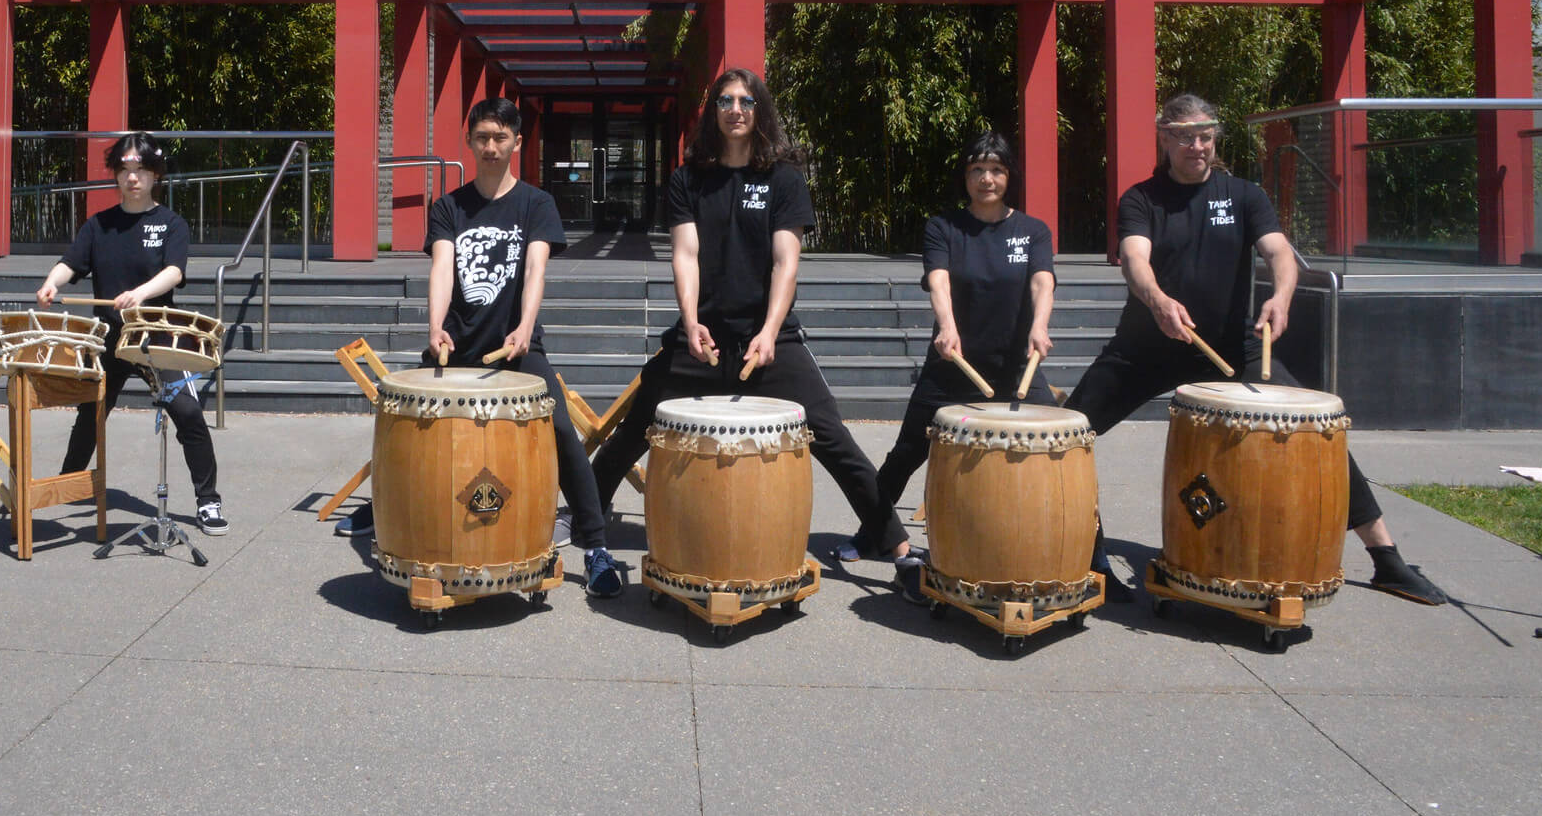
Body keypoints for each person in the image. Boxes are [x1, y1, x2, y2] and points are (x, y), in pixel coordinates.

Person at [1066, 94, 1445, 604]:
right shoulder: (1142, 199)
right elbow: (1136, 259)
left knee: (1316, 433)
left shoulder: (1244, 195)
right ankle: (1083, 548)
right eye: (1183, 135)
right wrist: (1157, 300)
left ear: (1215, 137)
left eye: (1204, 135)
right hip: (1145, 345)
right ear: (1164, 137)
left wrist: (1282, 296)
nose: (1195, 145)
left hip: (1228, 345)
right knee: (1064, 435)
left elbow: (1278, 251)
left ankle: (1386, 558)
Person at [589, 67, 908, 567]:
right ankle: (587, 516)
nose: (735, 109)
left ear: (760, 111)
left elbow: (787, 262)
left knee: (828, 432)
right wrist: (690, 322)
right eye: (725, 101)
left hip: (769, 338)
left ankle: (893, 540)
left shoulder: (782, 179)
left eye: (746, 101)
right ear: (712, 112)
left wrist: (769, 331)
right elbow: (685, 255)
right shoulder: (688, 179)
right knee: (637, 424)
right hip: (703, 336)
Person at [335, 99, 626, 598]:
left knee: (559, 427)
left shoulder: (537, 204)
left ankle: (595, 547)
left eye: (500, 138)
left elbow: (535, 270)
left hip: (517, 348)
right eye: (482, 138)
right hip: (457, 346)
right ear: (469, 142)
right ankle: (386, 510)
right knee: (403, 412)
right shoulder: (449, 207)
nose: (490, 147)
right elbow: (443, 269)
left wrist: (524, 328)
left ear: (516, 142)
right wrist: (434, 327)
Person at [869, 132, 1055, 585]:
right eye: (977, 170)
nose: (986, 179)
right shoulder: (944, 227)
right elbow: (939, 281)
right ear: (965, 176)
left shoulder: (1032, 230)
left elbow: (1042, 282)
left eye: (996, 169)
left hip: (1014, 364)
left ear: (1009, 175)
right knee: (907, 451)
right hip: (952, 361)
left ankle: (1091, 548)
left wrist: (1040, 325)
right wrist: (947, 327)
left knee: (1060, 448)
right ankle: (869, 529)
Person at [35, 132, 226, 536]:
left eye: (140, 170)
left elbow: (174, 271)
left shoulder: (171, 224)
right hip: (109, 338)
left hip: (155, 336)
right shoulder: (99, 225)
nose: (132, 178)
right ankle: (70, 482)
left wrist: (139, 295)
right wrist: (53, 283)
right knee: (91, 412)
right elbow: (71, 262)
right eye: (124, 170)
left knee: (188, 414)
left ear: (155, 174)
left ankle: (208, 501)